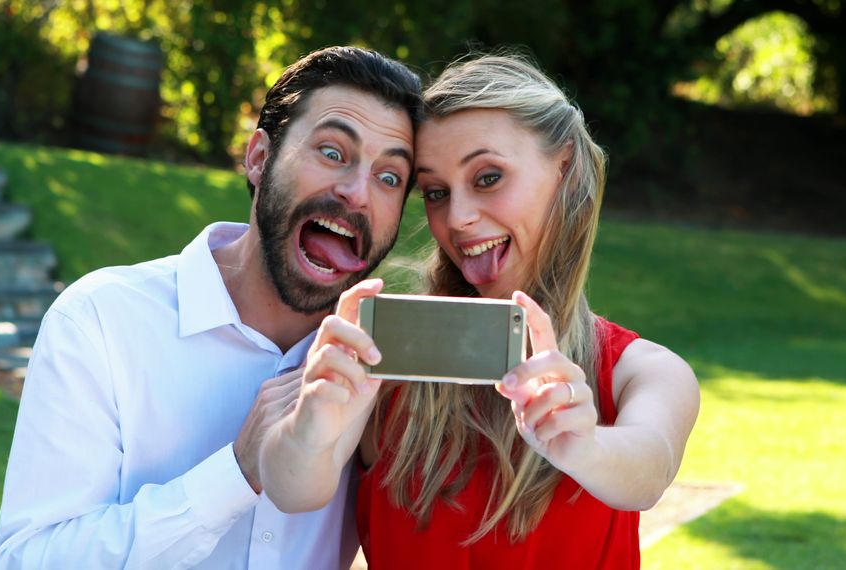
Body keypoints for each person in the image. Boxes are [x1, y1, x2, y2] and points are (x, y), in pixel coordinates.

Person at [0, 46, 423, 569]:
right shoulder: (100, 321)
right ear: (260, 158)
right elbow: (25, 561)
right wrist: (237, 472)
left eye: (390, 177)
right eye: (332, 152)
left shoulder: (386, 366)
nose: (357, 192)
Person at [261, 53, 700, 569]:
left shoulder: (640, 371)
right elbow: (292, 489)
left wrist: (582, 446)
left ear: (564, 169)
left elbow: (648, 471)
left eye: (488, 177)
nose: (459, 218)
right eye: (436, 192)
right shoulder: (391, 347)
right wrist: (310, 425)